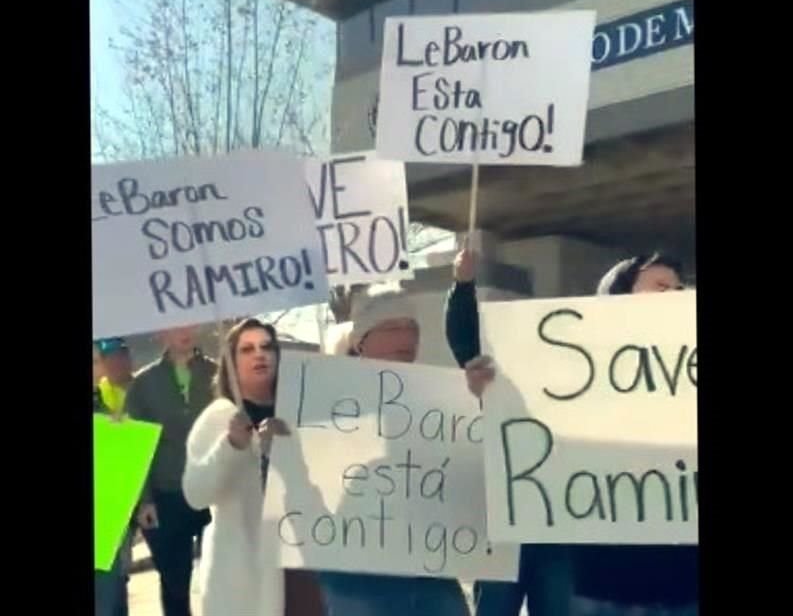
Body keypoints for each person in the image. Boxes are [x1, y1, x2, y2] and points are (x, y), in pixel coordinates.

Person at [445, 249, 695, 616]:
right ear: (616, 300)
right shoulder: (573, 368)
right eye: (661, 286)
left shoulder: (687, 368)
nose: (673, 297)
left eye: (679, 289)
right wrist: (464, 287)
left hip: (684, 579)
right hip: (604, 577)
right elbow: (479, 348)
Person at [317, 283, 472, 616]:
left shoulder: (436, 402)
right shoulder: (322, 400)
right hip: (358, 581)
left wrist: (482, 401)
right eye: (391, 327)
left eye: (411, 328)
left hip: (430, 574)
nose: (405, 336)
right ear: (361, 340)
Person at [182, 318, 293, 616]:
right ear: (230, 361)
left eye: (267, 346)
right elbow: (195, 494)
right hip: (244, 574)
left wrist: (291, 444)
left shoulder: (298, 408)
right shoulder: (219, 417)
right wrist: (231, 445)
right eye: (247, 349)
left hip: (302, 565)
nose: (259, 354)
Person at [126, 325, 216, 616]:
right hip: (167, 495)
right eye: (176, 326)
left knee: (220, 578)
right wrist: (145, 500)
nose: (185, 331)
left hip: (213, 491)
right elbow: (137, 448)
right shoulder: (143, 383)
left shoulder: (219, 373)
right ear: (160, 333)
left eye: (190, 323)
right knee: (175, 584)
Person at [93, 337, 135, 616]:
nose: (101, 367)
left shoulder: (104, 401)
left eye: (98, 360)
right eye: (96, 361)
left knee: (115, 600)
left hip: (110, 519)